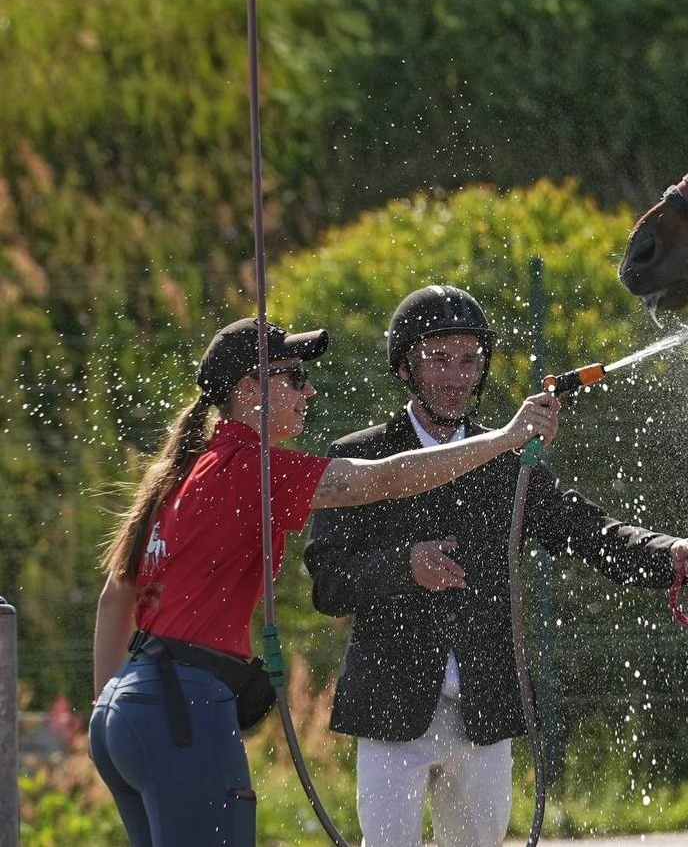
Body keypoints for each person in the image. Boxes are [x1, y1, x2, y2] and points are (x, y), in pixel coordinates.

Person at [89, 316, 559, 847]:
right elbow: (383, 479)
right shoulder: (248, 467)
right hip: (183, 706)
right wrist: (506, 438)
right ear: (249, 390)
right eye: (292, 377)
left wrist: (107, 713)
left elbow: (114, 597)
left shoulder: (189, 468)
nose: (308, 389)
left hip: (124, 709)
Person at [304, 285, 688, 847]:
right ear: (404, 367)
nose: (456, 375)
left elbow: (582, 529)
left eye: (469, 358)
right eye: (438, 358)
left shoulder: (506, 456)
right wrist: (406, 567)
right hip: (390, 708)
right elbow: (327, 585)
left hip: (486, 706)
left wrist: (669, 555)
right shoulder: (358, 457)